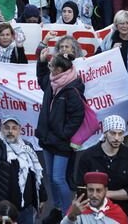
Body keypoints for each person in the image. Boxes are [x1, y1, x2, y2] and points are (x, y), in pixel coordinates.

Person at [0, 89, 44, 224]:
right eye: (7, 127)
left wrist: (42, 197)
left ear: (20, 130)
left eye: (14, 128)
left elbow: (36, 173)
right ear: (1, 129)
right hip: (1, 210)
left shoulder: (27, 147)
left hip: (25, 209)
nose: (10, 131)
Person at [36, 52, 85, 214]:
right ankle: (57, 207)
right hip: (47, 139)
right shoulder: (52, 82)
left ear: (59, 70)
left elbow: (78, 116)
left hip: (62, 143)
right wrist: (41, 61)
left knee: (58, 178)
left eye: (51, 66)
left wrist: (64, 134)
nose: (49, 69)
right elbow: (41, 78)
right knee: (50, 176)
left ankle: (68, 212)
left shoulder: (72, 89)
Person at [72, 115, 128, 219]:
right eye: (113, 133)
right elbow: (81, 188)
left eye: (120, 133)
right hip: (92, 213)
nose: (117, 138)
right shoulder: (88, 157)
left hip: (122, 213)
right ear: (105, 133)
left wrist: (104, 193)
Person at [64, 171, 128, 224]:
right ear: (86, 189)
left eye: (98, 190)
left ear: (105, 190)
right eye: (91, 190)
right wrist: (71, 216)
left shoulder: (117, 213)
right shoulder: (76, 209)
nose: (94, 195)